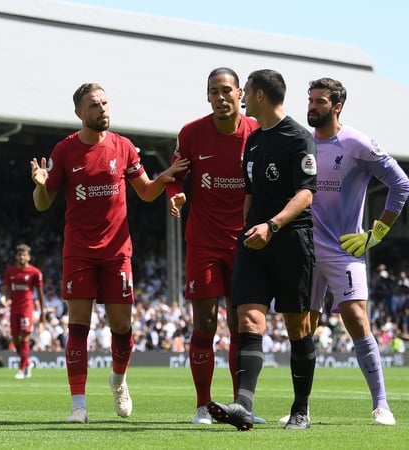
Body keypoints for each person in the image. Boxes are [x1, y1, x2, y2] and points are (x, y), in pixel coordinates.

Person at [30, 82, 188, 424]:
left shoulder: (124, 146)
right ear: (79, 113)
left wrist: (164, 178)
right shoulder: (65, 150)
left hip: (117, 251)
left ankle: (118, 379)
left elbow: (145, 193)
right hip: (79, 251)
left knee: (121, 328)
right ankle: (78, 405)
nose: (102, 109)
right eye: (94, 105)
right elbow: (43, 205)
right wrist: (40, 186)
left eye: (104, 102)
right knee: (78, 327)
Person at [276, 77, 408, 426]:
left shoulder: (356, 143)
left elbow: (400, 184)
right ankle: (300, 408)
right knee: (302, 327)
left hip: (343, 248)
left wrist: (377, 232)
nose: (311, 106)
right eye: (310, 100)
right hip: (304, 248)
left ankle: (381, 404)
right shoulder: (300, 143)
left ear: (337, 107)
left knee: (355, 318)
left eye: (319, 101)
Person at [207, 69, 317, 431]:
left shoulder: (299, 137)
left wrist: (273, 225)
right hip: (254, 241)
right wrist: (247, 230)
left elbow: (306, 193)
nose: (238, 99)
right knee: (248, 319)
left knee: (297, 327)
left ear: (257, 96)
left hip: (289, 241)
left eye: (245, 92)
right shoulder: (253, 140)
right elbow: (251, 194)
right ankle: (243, 405)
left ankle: (300, 410)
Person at [165, 67, 267, 425]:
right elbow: (174, 179)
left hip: (244, 242)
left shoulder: (258, 132)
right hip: (204, 241)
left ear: (241, 94)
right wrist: (176, 196)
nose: (220, 97)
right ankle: (203, 406)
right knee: (205, 325)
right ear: (207, 96)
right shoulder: (191, 133)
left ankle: (242, 405)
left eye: (226, 90)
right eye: (213, 92)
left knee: (241, 326)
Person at [1, 243, 46, 379]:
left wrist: (42, 312)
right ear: (17, 256)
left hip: (27, 308)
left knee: (25, 336)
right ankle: (28, 362)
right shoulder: (10, 271)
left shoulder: (35, 272)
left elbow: (40, 292)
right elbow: (6, 288)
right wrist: (5, 297)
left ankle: (21, 368)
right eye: (19, 254)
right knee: (15, 338)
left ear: (29, 257)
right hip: (14, 308)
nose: (21, 257)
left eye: (24, 254)